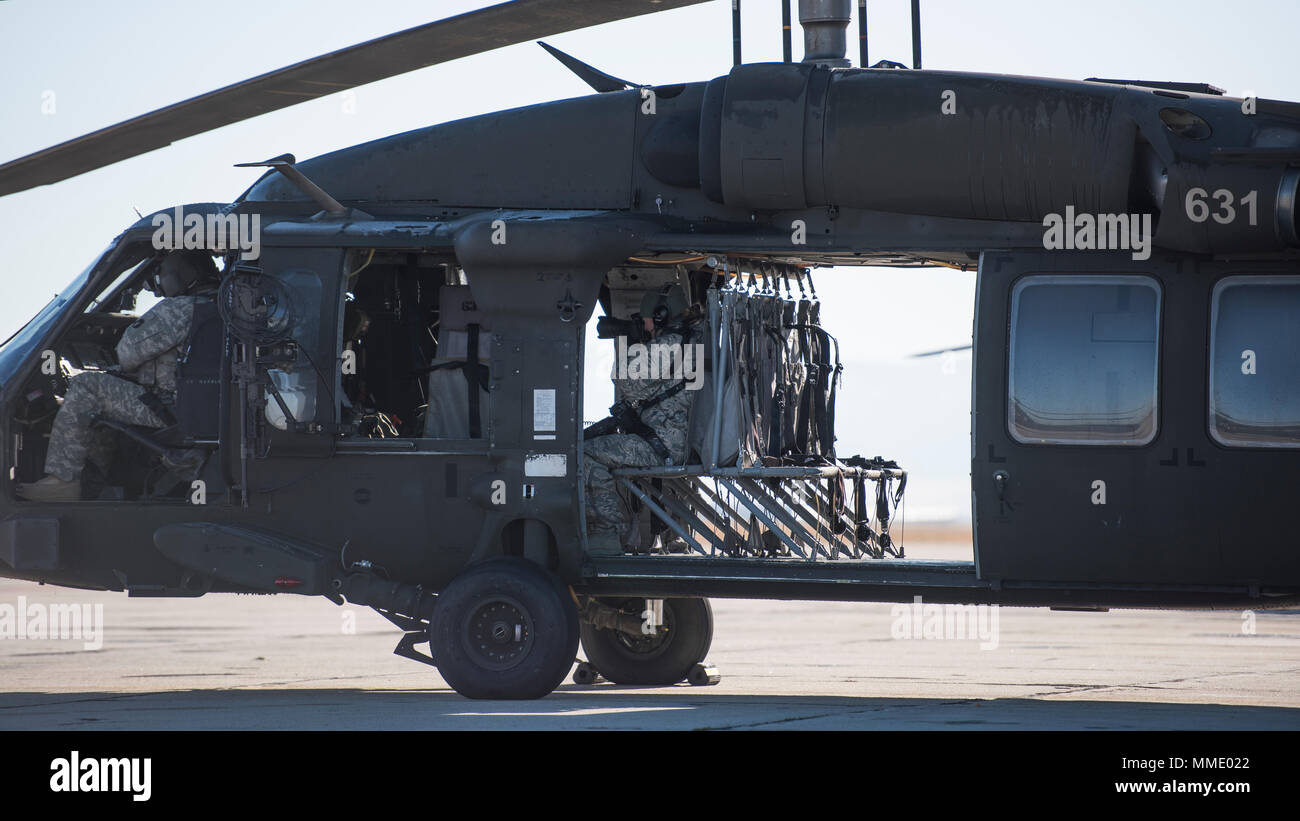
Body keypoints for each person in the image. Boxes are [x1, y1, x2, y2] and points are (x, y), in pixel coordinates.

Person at [18, 251, 220, 502]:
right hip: (211, 411)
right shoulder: (231, 308)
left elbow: (127, 353)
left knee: (86, 388)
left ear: (178, 277)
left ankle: (64, 481)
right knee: (105, 407)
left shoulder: (180, 309)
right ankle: (98, 489)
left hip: (174, 409)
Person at [582, 284, 698, 555]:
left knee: (585, 454)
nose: (645, 325)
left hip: (663, 445)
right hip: (679, 439)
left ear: (660, 314)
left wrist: (634, 344)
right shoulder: (693, 337)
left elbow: (627, 384)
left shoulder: (668, 344)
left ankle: (606, 535)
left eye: (646, 318)